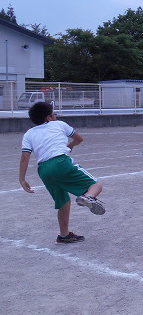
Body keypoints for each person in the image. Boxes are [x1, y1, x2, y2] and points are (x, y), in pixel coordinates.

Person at [19, 101, 105, 244]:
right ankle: (88, 197)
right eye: (54, 114)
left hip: (44, 169)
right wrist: (70, 145)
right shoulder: (59, 124)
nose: (56, 116)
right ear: (48, 117)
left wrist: (22, 179)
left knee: (63, 201)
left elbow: (25, 157)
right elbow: (79, 138)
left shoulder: (29, 134)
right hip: (60, 163)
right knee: (96, 185)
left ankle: (64, 235)